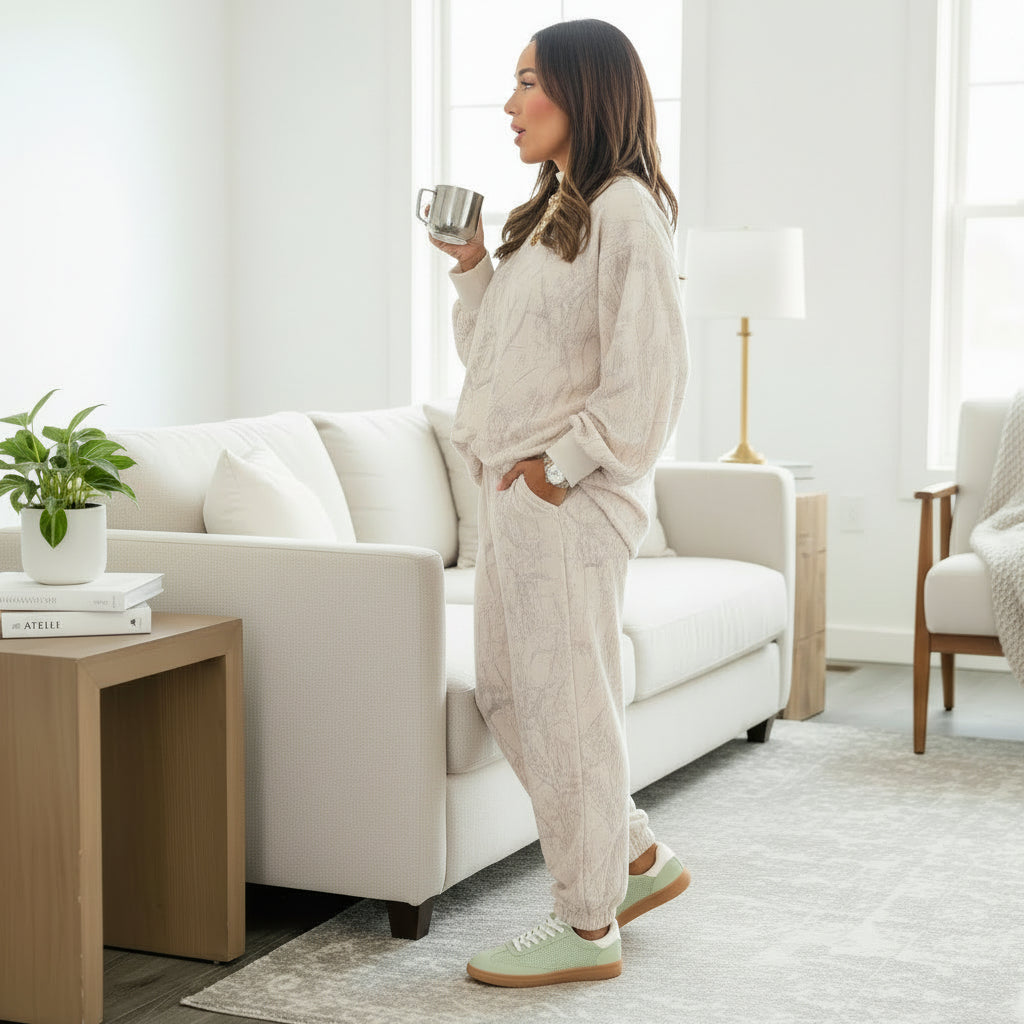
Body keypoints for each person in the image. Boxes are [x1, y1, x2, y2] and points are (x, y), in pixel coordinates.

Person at [426, 18, 690, 987]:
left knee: (565, 699)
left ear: (584, 91)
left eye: (528, 82)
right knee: (507, 690)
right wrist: (469, 265)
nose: (509, 103)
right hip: (518, 497)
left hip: (567, 502)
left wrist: (563, 465)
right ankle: (627, 855)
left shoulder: (628, 212)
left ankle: (586, 923)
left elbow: (651, 374)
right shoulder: (554, 215)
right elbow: (497, 357)